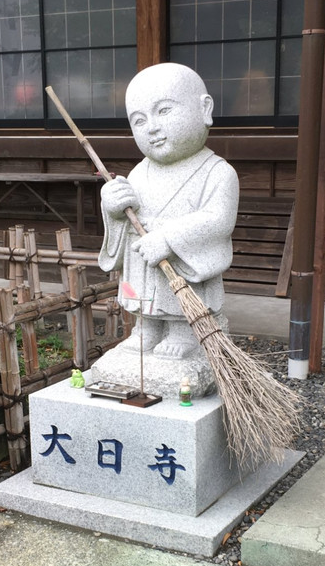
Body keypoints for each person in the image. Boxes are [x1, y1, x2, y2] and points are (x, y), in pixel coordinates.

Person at [99, 63, 239, 360]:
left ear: (204, 108)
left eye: (163, 111)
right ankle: (145, 329)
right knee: (144, 296)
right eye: (139, 120)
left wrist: (168, 239)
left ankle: (184, 332)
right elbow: (124, 218)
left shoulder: (217, 172)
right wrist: (112, 207)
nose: (151, 127)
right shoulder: (138, 173)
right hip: (144, 261)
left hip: (180, 257)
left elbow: (218, 221)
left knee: (180, 298)